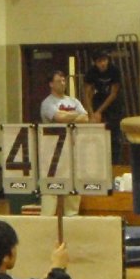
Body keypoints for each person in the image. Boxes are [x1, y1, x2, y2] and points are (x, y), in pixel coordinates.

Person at [40, 70, 88, 217]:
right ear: (51, 84)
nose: (63, 83)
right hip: (53, 150)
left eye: (64, 80)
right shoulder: (47, 103)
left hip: (72, 147)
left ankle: (71, 216)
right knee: (51, 186)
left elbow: (85, 118)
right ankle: (47, 219)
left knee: (73, 185)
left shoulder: (74, 101)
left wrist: (69, 116)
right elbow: (58, 117)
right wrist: (75, 116)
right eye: (59, 81)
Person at [83, 50, 123, 164]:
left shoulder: (114, 70)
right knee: (97, 130)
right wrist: (91, 114)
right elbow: (87, 94)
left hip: (113, 102)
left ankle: (116, 163)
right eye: (100, 61)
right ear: (95, 63)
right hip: (99, 98)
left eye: (105, 60)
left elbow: (113, 93)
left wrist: (99, 111)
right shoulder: (91, 72)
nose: (103, 63)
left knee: (114, 133)